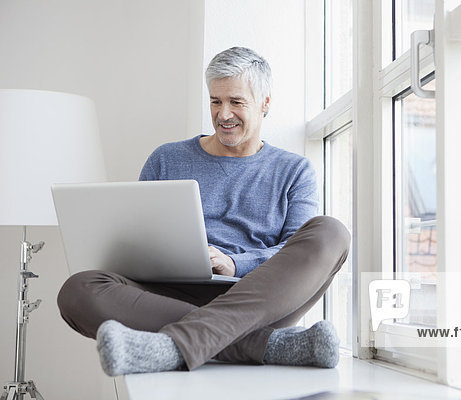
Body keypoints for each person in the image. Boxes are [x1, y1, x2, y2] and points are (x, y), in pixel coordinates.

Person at [56, 47, 350, 376]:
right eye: (215, 101)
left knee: (332, 232)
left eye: (236, 102)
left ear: (265, 103)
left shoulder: (295, 171)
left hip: (256, 299)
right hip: (166, 299)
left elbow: (293, 251)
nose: (223, 114)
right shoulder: (166, 159)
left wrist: (235, 262)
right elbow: (136, 238)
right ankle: (271, 345)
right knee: (77, 290)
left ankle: (173, 344)